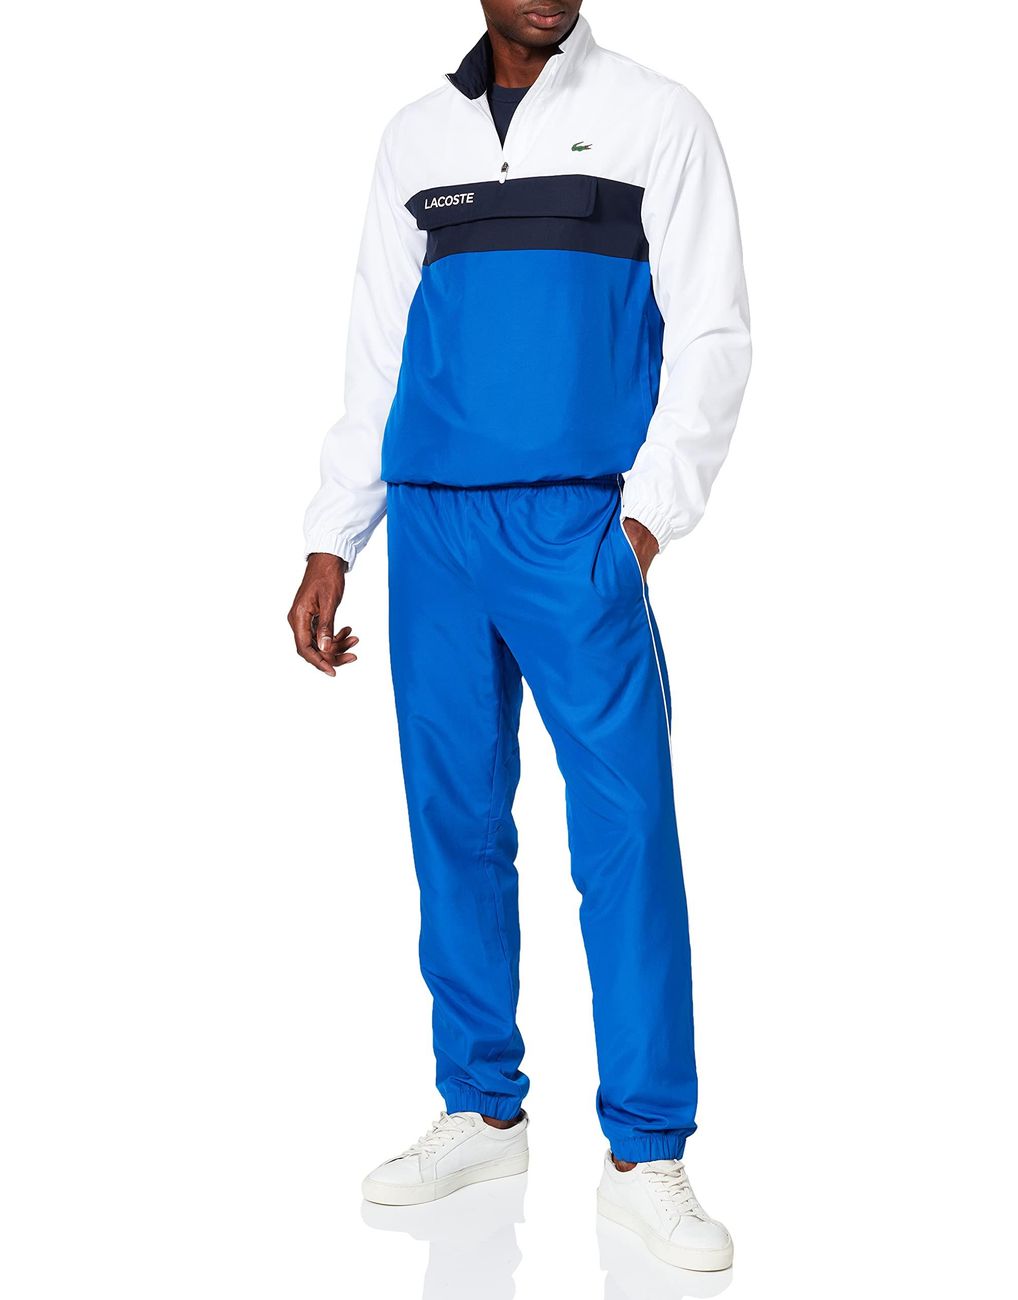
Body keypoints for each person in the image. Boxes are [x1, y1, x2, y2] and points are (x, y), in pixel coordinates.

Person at [288, 0, 750, 1273]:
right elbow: (376, 351)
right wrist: (333, 538)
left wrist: (644, 523)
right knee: (452, 819)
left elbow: (713, 334)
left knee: (625, 827)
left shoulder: (656, 117)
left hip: (576, 525)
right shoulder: (414, 137)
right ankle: (480, 1107)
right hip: (431, 522)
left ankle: (646, 1149)